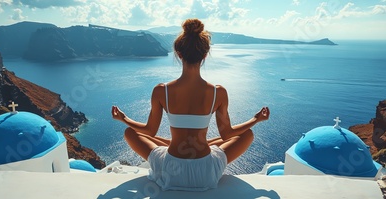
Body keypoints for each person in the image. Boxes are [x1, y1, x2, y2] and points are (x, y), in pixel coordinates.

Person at [111, 18, 270, 191]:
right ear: (204, 54)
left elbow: (149, 131)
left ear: (179, 53)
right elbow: (227, 135)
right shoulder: (218, 92)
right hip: (205, 172)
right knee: (247, 134)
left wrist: (123, 118)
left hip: (170, 170)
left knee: (130, 132)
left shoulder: (161, 90)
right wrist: (255, 119)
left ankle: (178, 143)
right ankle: (197, 143)